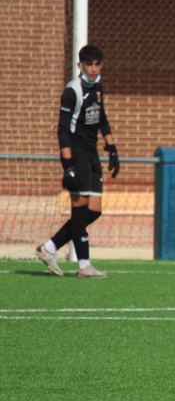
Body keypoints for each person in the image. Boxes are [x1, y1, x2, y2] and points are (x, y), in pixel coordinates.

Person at [35, 45, 120, 278]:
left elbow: (101, 118)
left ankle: (49, 247)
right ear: (79, 65)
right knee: (80, 211)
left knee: (94, 210)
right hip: (77, 154)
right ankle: (84, 265)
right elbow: (62, 131)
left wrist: (112, 148)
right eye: (89, 65)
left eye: (97, 64)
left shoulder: (98, 87)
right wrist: (68, 167)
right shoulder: (72, 91)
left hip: (92, 154)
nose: (93, 69)